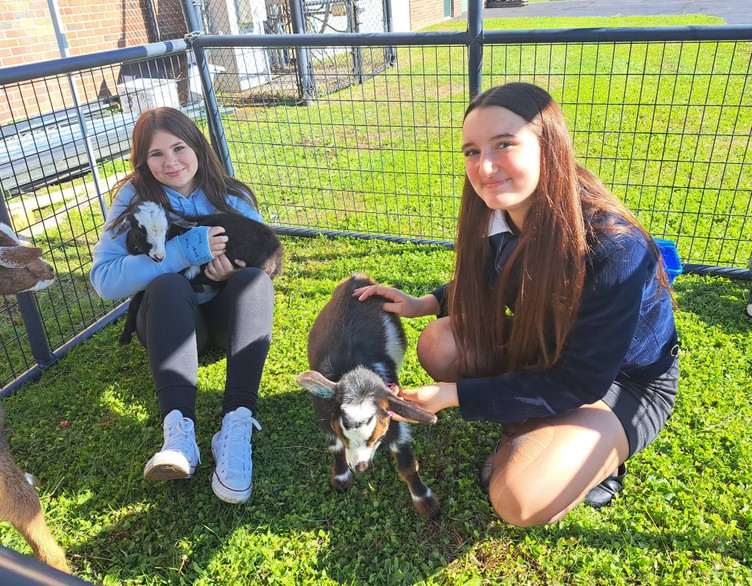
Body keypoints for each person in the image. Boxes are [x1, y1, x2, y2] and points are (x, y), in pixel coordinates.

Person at [354, 82, 679, 526]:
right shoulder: (497, 213)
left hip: (619, 383)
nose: (484, 166)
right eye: (471, 150)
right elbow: (488, 282)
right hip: (545, 349)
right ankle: (533, 430)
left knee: (518, 498)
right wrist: (427, 301)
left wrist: (453, 395)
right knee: (438, 342)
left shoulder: (613, 247)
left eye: (504, 144)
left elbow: (581, 380)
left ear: (549, 146)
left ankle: (589, 454)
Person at [90, 107, 274, 504]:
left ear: (197, 147)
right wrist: (180, 252)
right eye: (156, 154)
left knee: (253, 281)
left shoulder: (231, 193)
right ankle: (179, 432)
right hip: (170, 321)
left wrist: (230, 272)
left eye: (178, 147)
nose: (170, 162)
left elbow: (265, 254)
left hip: (223, 322)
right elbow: (104, 280)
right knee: (169, 284)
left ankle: (236, 424)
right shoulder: (134, 198)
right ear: (142, 161)